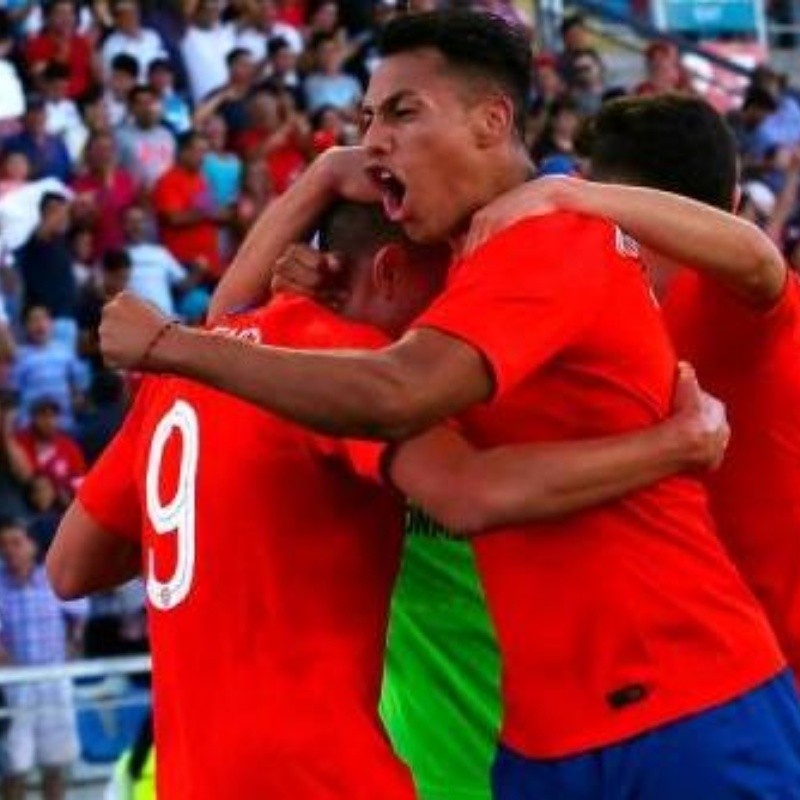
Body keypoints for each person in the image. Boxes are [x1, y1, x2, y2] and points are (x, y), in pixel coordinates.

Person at [100, 12, 800, 798]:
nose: (376, 142)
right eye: (365, 120)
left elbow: (394, 395)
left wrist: (169, 345)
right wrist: (324, 188)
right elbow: (251, 351)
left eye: (402, 113)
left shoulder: (553, 240)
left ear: (491, 121)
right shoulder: (451, 286)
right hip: (541, 740)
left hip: (678, 708)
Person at [54, 196, 725, 799]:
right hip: (328, 775)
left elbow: (72, 568)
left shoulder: (193, 362)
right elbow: (465, 492)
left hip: (196, 778)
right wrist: (677, 446)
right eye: (450, 283)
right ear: (389, 271)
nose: (460, 314)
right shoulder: (351, 371)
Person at [469, 92, 800, 685]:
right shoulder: (583, 300)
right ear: (733, 200)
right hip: (664, 678)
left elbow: (758, 261)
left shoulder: (724, 298)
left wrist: (571, 195)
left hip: (757, 675)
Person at [0, 520, 87, 800]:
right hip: (14, 687)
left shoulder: (52, 579)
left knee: (55, 766)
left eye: (16, 542)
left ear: (32, 546)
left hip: (54, 681)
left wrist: (74, 643)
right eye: (3, 545)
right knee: (15, 768)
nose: (9, 550)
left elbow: (79, 614)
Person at [15, 397, 86, 507]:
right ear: (33, 418)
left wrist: (66, 490)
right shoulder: (21, 442)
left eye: (53, 416)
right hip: (26, 502)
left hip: (62, 505)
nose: (49, 421)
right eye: (43, 416)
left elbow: (79, 480)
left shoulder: (68, 445)